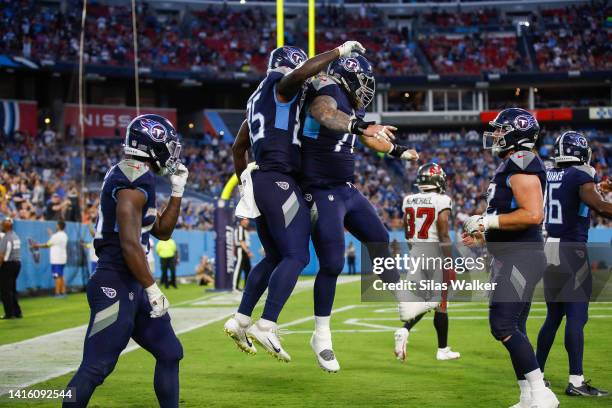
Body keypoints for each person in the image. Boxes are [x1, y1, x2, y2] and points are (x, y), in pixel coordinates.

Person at [224, 41, 373, 362]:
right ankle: (267, 323)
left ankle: (240, 318)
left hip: (262, 178)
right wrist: (339, 51)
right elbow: (298, 76)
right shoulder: (280, 86)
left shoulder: (256, 99)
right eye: (302, 73)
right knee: (296, 254)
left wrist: (244, 184)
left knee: (275, 255)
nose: (309, 79)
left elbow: (238, 148)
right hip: (279, 178)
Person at [299, 54, 418, 372]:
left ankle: (401, 300)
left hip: (345, 188)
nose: (366, 89)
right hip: (319, 189)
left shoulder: (355, 107)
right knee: (334, 262)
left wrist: (396, 149)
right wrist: (359, 124)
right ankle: (321, 336)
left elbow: (368, 137)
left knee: (379, 239)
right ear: (348, 76)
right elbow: (324, 114)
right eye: (363, 81)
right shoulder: (328, 88)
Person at [63, 114, 188, 408]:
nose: (171, 152)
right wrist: (153, 288)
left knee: (170, 352)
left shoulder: (139, 174)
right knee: (96, 367)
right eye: (167, 145)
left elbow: (162, 232)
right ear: (151, 144)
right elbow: (129, 243)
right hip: (115, 281)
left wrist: (178, 191)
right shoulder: (132, 178)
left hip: (131, 280)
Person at [462, 108, 559, 408]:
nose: (496, 135)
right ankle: (528, 396)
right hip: (513, 255)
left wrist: (487, 222)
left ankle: (542, 394)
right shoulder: (511, 164)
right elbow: (511, 217)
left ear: (518, 134)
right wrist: (484, 235)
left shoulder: (522, 160)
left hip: (522, 257)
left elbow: (532, 214)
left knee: (503, 326)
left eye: (502, 130)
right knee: (516, 327)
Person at [536, 131, 612, 397]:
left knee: (554, 317)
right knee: (577, 316)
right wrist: (601, 195)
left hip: (550, 248)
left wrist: (599, 188)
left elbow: (573, 196)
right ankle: (576, 381)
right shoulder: (581, 175)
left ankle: (537, 376)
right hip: (572, 249)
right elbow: (598, 206)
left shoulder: (549, 174)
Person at [394, 163, 460, 362]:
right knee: (439, 302)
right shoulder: (442, 200)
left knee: (432, 300)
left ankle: (438, 346)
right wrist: (449, 262)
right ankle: (436, 346)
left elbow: (407, 229)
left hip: (416, 253)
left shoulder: (408, 200)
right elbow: (443, 233)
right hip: (434, 253)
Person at [32, 220, 69, 297]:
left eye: (57, 225)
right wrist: (51, 235)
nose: (56, 226)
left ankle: (57, 293)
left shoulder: (55, 236)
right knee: (61, 275)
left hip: (56, 259)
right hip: (62, 258)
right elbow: (54, 241)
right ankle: (63, 292)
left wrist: (36, 245)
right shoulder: (64, 235)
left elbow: (47, 245)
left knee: (57, 276)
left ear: (58, 226)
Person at [0, 218, 22, 319]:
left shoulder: (6, 238)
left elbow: (2, 255)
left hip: (8, 265)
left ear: (6, 226)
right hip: (17, 264)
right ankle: (17, 312)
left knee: (5, 290)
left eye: (2, 224)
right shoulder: (15, 236)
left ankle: (9, 313)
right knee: (12, 289)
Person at [232, 218, 252, 290]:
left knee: (248, 268)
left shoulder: (244, 229)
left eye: (247, 219)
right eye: (245, 219)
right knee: (238, 268)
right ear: (241, 221)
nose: (247, 221)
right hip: (240, 250)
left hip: (244, 250)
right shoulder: (240, 228)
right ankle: (235, 287)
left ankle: (246, 287)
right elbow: (241, 241)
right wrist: (248, 252)